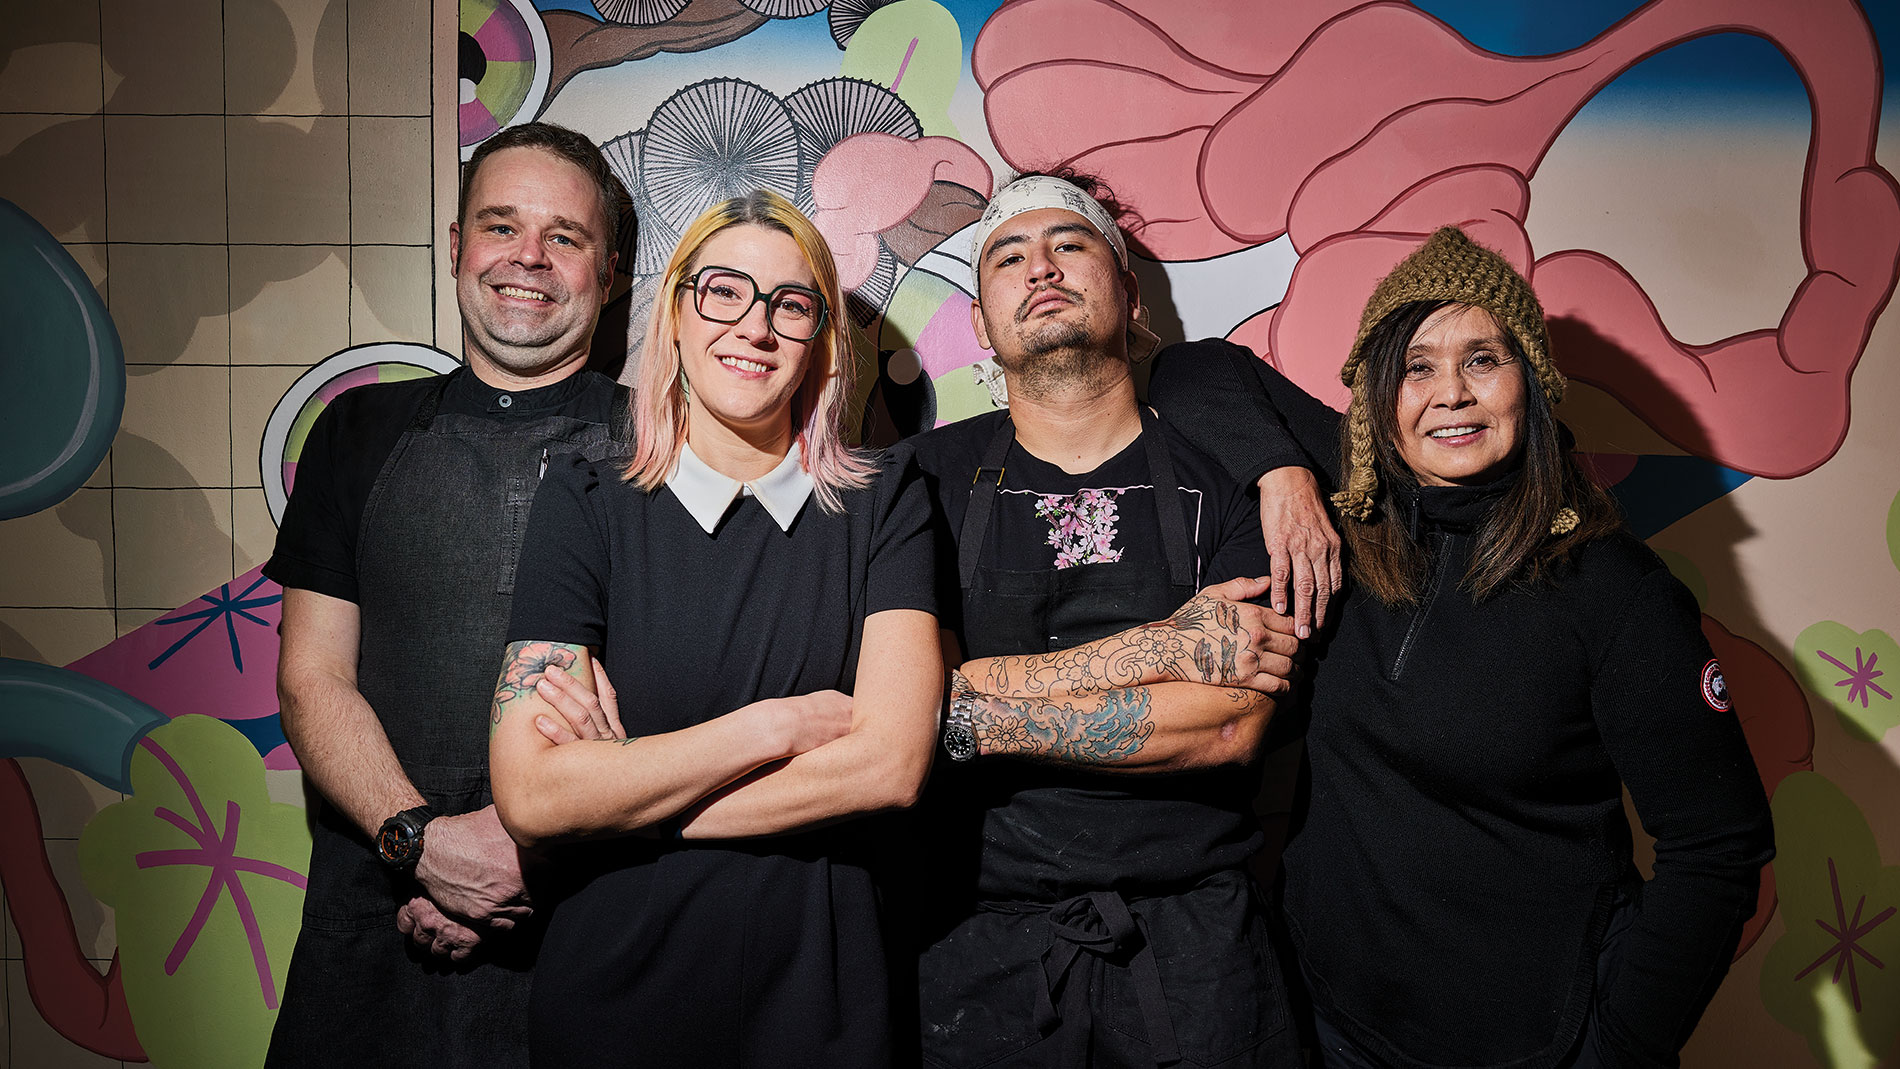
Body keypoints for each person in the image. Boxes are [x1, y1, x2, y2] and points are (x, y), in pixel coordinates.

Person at [1149, 226, 1776, 1068]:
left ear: (1532, 383)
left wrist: (1615, 1047)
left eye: (1483, 359)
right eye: (1418, 365)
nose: (1451, 393)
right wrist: (1282, 473)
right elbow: (1183, 370)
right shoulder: (1354, 506)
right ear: (1383, 396)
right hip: (1327, 1020)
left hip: (1525, 1045)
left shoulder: (1611, 587)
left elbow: (1719, 848)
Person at [486, 189, 943, 1067]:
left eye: (791, 304)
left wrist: (621, 796)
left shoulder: (886, 501)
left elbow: (888, 764)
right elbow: (534, 795)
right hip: (615, 993)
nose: (755, 327)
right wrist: (766, 728)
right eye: (723, 290)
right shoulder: (584, 502)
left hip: (823, 996)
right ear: (678, 310)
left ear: (821, 340)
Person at [905, 172, 1305, 1068]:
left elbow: (1232, 721)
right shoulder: (917, 481)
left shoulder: (1227, 476)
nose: (1039, 267)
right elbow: (895, 704)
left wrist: (963, 711)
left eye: (1070, 245)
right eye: (1008, 257)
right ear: (980, 322)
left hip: (1196, 955)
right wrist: (1158, 652)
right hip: (975, 952)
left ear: (1128, 292)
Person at [263, 121, 628, 1067]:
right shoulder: (357, 432)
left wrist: (530, 861)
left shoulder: (665, 448)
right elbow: (311, 680)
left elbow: (690, 691)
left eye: (566, 237)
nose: (529, 259)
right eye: (500, 226)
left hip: (586, 930)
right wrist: (419, 841)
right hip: (372, 926)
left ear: (611, 272)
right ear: (456, 245)